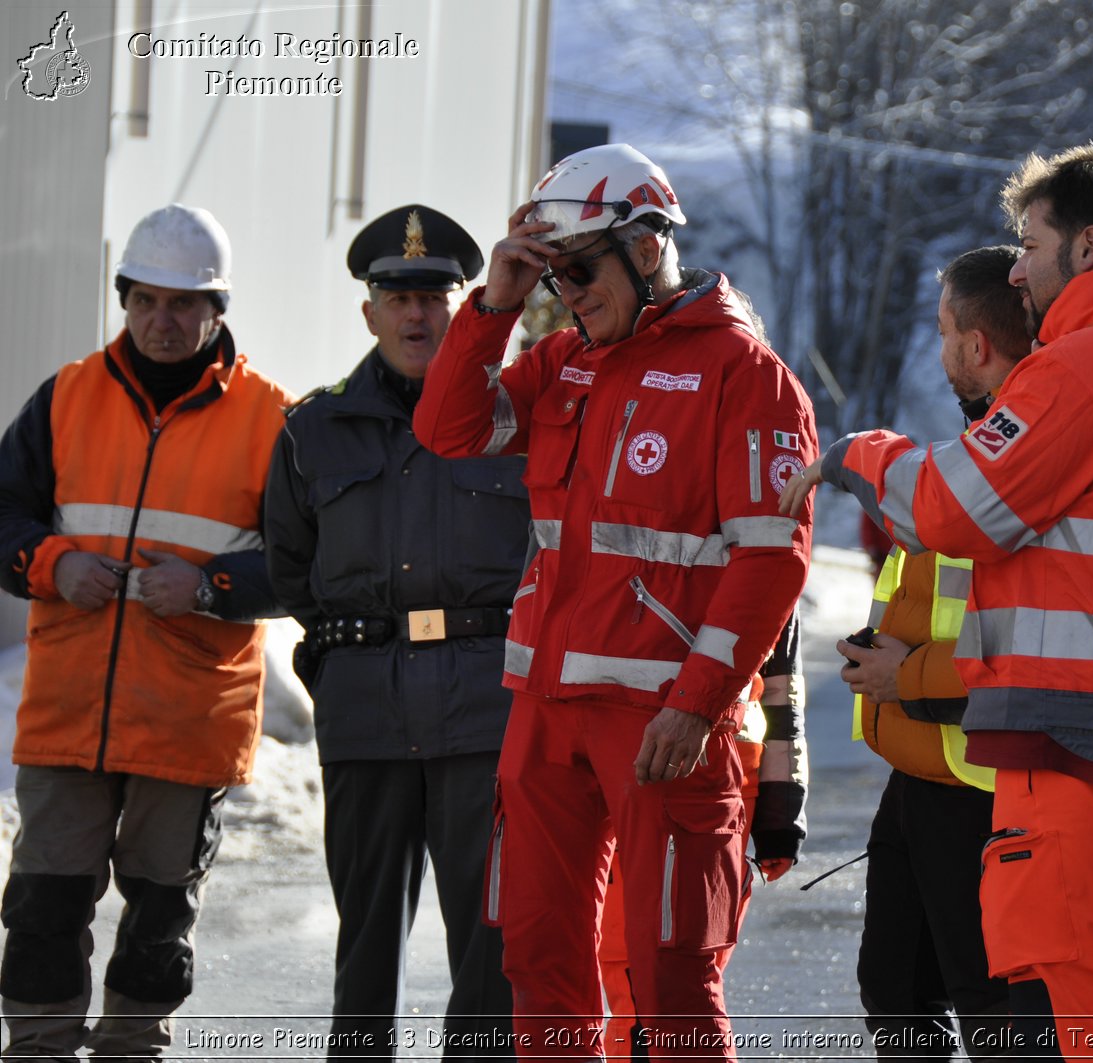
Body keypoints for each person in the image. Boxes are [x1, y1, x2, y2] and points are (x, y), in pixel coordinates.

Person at [781, 143, 1093, 1061]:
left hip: (1087, 743)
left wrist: (857, 454)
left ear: (1088, 246)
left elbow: (953, 506)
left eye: (1030, 241)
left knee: (1068, 1005)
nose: (1017, 266)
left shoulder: (1091, 363)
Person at [413, 143, 817, 1060]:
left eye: (580, 267)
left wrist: (699, 702)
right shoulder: (563, 360)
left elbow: (771, 565)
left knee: (673, 979)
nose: (569, 290)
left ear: (645, 248)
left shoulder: (746, 375)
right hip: (546, 716)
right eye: (554, 272)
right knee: (539, 959)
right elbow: (446, 428)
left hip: (666, 726)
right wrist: (496, 303)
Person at [0, 204, 293, 1059]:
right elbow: (3, 518)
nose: (162, 322)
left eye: (184, 304)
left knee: (161, 915)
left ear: (217, 310)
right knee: (44, 903)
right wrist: (52, 565)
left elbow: (310, 562)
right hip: (69, 709)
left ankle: (133, 1045)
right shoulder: (64, 397)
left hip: (187, 719)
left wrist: (211, 586)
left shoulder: (273, 419)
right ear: (123, 300)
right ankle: (41, 1047)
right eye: (145, 302)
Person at [263, 205, 522, 1057]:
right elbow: (294, 566)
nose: (417, 314)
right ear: (367, 309)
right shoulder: (311, 429)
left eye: (436, 295)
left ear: (461, 307)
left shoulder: (515, 418)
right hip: (367, 716)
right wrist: (342, 672)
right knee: (365, 949)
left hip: (483, 717)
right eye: (397, 294)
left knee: (489, 955)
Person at [833, 247, 1030, 1061]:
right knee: (895, 988)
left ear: (976, 346)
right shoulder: (978, 450)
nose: (940, 347)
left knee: (997, 1012)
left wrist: (903, 674)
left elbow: (1032, 641)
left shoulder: (1025, 459)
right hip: (923, 771)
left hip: (984, 785)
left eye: (945, 330)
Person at [596, 612, 807, 1060]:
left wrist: (782, 811)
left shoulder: (760, 557)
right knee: (640, 973)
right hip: (635, 772)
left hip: (725, 784)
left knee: (684, 970)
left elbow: (782, 689)